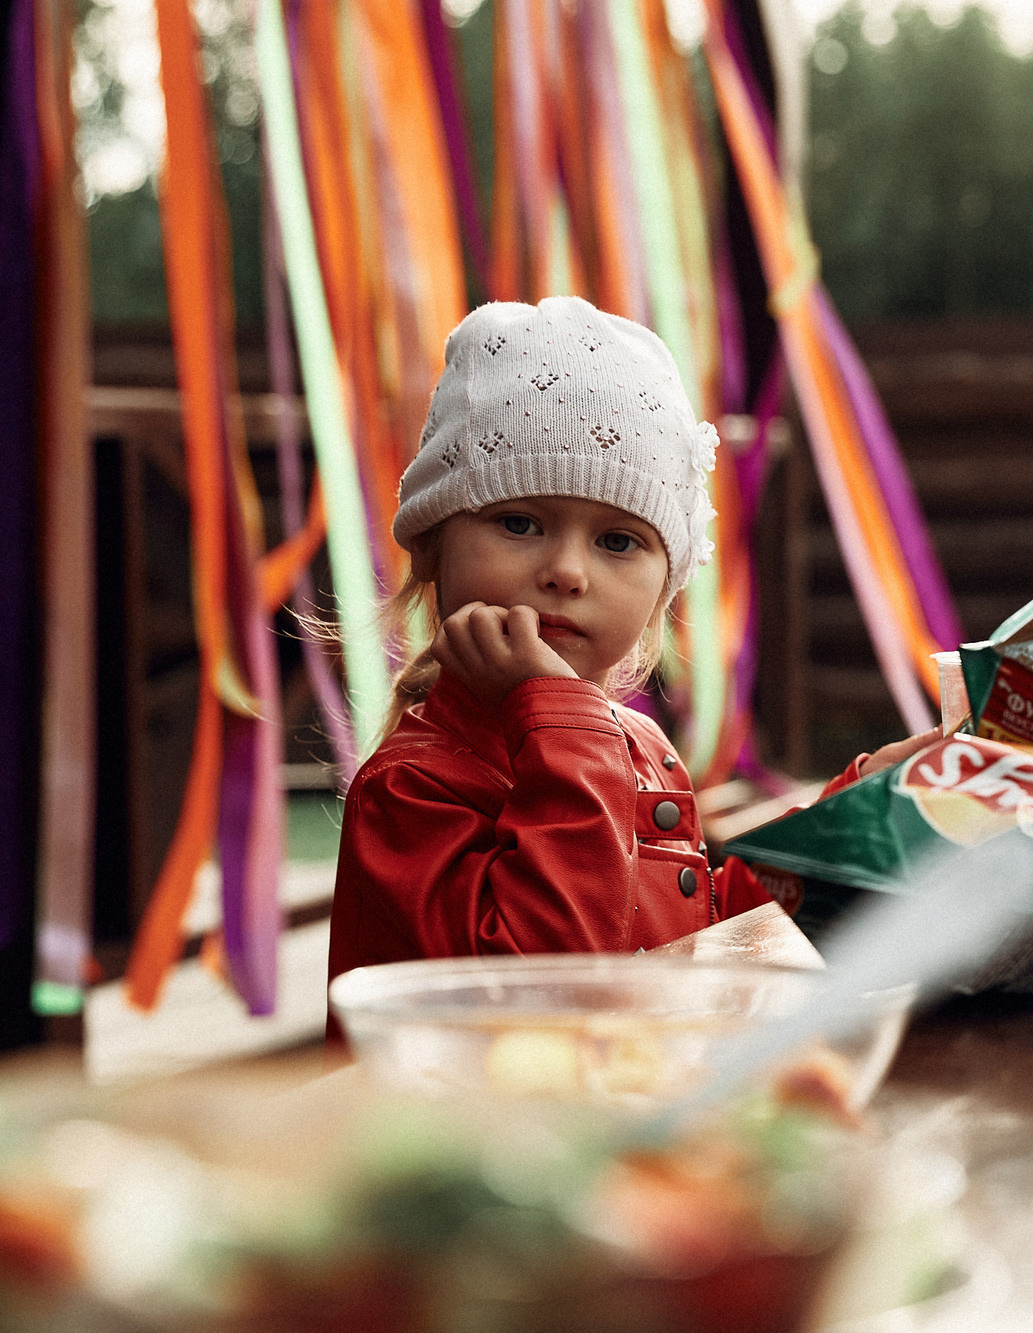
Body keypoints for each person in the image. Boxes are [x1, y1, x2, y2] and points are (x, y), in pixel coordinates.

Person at [328, 296, 932, 984]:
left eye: (617, 540)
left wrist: (852, 818)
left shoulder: (639, 748)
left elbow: (694, 948)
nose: (565, 571)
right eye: (520, 522)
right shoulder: (410, 789)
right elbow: (550, 992)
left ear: (661, 592)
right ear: (432, 549)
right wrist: (561, 723)